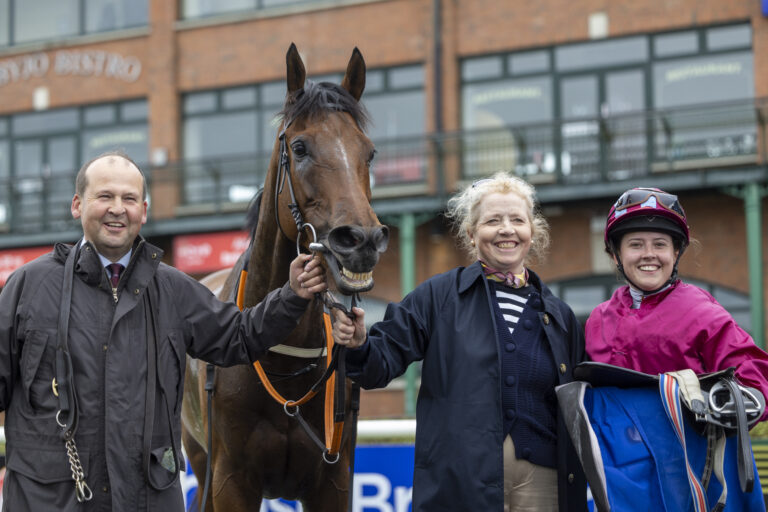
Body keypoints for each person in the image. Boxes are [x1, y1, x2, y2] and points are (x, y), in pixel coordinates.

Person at [0, 151, 328, 511]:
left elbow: (240, 336)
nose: (117, 209)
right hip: (44, 502)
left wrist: (292, 295)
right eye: (105, 196)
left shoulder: (174, 290)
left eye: (129, 199)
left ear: (143, 210)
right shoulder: (26, 287)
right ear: (78, 205)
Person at [333, 171, 587, 512]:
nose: (506, 229)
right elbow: (380, 362)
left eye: (517, 220)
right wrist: (361, 344)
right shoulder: (437, 297)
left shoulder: (560, 314)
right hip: (459, 482)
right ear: (471, 233)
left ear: (532, 231)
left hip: (545, 483)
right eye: (492, 220)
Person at [585, 187, 768, 413]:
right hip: (610, 448)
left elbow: (756, 381)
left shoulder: (703, 314)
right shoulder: (597, 319)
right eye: (636, 244)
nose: (648, 253)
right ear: (616, 255)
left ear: (676, 252)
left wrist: (713, 404)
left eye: (660, 244)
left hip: (684, 447)